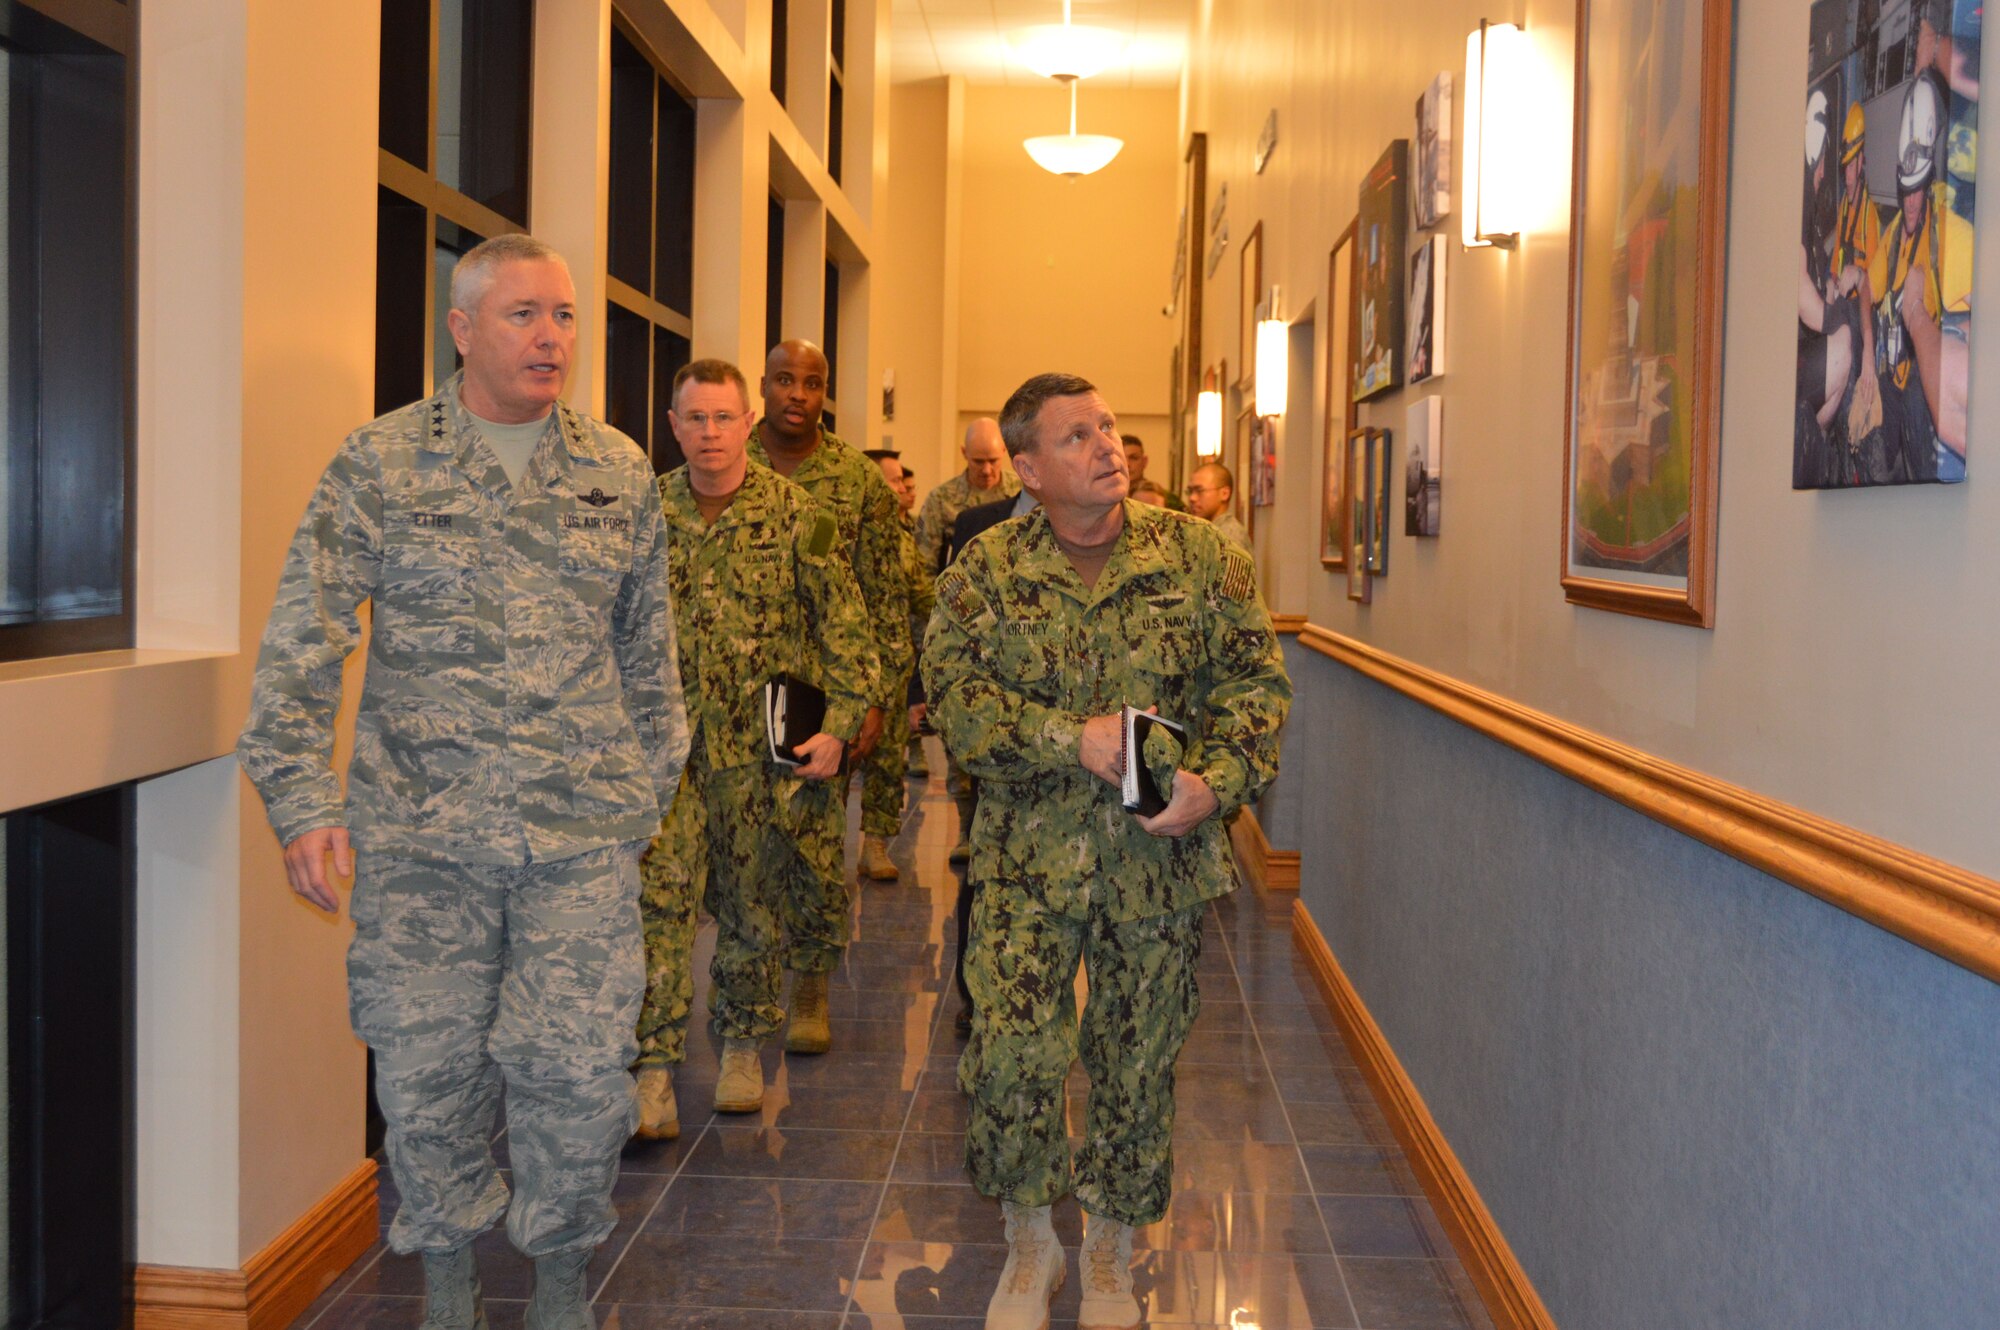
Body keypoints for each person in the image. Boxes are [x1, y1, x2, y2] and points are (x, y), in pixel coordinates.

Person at [236, 234, 686, 1330]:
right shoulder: (380, 465)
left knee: (579, 1071)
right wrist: (304, 801)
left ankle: (562, 1277)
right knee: (427, 1071)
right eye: (525, 315)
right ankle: (446, 1276)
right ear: (462, 327)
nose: (552, 338)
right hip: (420, 838)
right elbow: (302, 641)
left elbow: (649, 659)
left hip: (580, 839)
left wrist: (642, 799)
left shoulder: (618, 470)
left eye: (566, 316)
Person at [923, 372, 1290, 1330]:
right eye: (1077, 435)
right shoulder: (984, 573)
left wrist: (1215, 782)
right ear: (1029, 469)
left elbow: (1258, 686)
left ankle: (1115, 1244)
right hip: (1024, 868)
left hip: (1153, 867)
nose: (1107, 446)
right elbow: (959, 708)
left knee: (1136, 1061)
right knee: (1009, 1058)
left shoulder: (1202, 560)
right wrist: (1067, 738)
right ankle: (1030, 1235)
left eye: (1112, 428)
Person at [635, 359, 877, 1134]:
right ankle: (652, 1069)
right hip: (662, 757)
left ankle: (741, 1045)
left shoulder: (800, 515)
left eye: (722, 418)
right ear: (673, 427)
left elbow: (847, 632)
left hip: (756, 758)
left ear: (748, 425)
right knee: (659, 907)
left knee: (749, 906)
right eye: (694, 419)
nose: (709, 433)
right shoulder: (642, 515)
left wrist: (839, 727)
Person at [749, 339, 910, 1052]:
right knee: (745, 852)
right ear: (764, 384)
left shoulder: (856, 481)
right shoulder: (728, 462)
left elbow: (885, 595)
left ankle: (810, 986)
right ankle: (745, 1000)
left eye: (812, 383)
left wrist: (874, 696)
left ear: (825, 392)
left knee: (817, 849)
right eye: (785, 380)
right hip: (738, 690)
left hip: (824, 693)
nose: (797, 394)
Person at [1867, 71, 1972, 481]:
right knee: (1879, 458)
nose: (1910, 203)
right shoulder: (1893, 236)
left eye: (1917, 190)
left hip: (1922, 395)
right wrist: (1864, 362)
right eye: (1904, 190)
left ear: (1928, 183)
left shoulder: (1951, 234)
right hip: (1890, 379)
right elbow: (1867, 290)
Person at [851, 448, 933, 880]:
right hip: (842, 667)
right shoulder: (840, 530)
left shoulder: (903, 538)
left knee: (886, 762)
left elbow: (924, 595)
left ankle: (876, 845)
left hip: (891, 667)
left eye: (903, 481)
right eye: (893, 481)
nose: (902, 488)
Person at [914, 417, 1019, 575]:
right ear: (964, 453)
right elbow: (924, 565)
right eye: (978, 462)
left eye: (993, 461)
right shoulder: (941, 499)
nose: (986, 470)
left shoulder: (1022, 491)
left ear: (1004, 451)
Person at [1185, 461, 1251, 550]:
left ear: (1224, 494)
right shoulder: (1206, 531)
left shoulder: (1228, 536)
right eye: (1190, 491)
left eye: (1199, 490)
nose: (1192, 498)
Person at [1121, 433, 1184, 510]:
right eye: (1121, 458)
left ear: (1144, 461)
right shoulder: (1106, 498)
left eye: (1133, 458)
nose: (1127, 464)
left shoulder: (1166, 499)